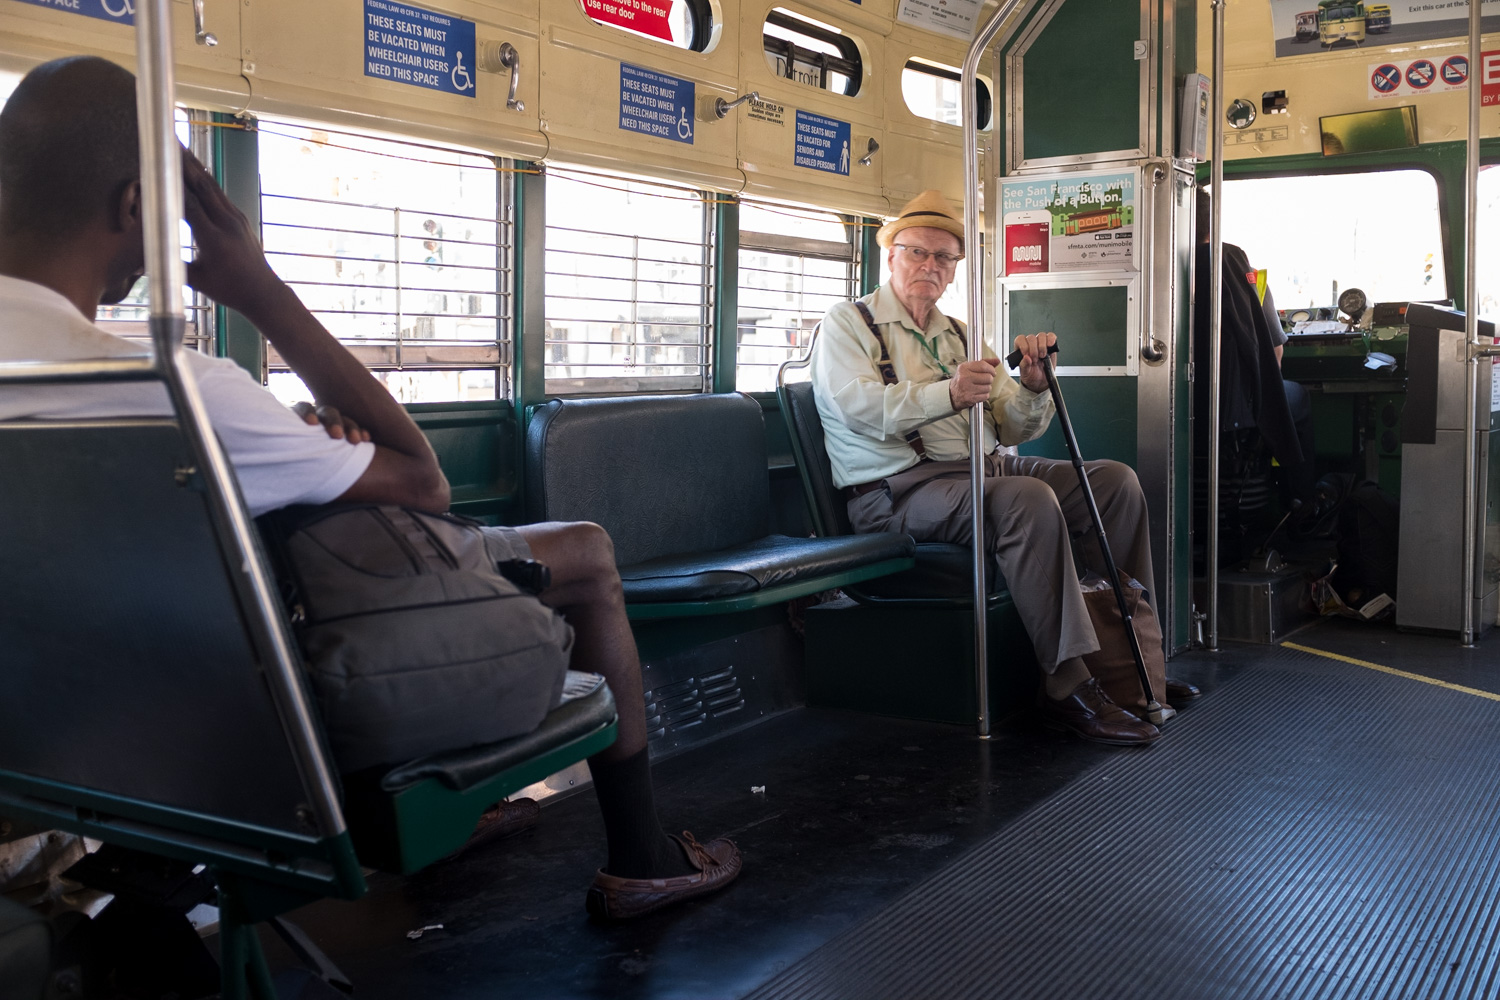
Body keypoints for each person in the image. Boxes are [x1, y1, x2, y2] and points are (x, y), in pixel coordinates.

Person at [0, 56, 739, 921]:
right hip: (249, 726)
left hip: (55, 731)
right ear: (134, 205)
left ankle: (473, 815)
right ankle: (643, 858)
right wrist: (261, 291)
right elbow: (420, 479)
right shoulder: (178, 391)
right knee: (586, 553)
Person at [811, 189, 1167, 747]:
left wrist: (1030, 387)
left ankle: (1134, 663)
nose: (930, 266)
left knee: (1114, 482)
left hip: (987, 468)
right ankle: (1067, 686)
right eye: (917, 253)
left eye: (943, 258)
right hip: (898, 492)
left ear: (955, 270)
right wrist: (947, 394)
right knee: (1026, 501)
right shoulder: (847, 324)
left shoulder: (958, 333)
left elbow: (1012, 427)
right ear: (891, 257)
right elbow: (858, 406)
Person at [1192, 188, 1315, 532]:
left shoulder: (1158, 274)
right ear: (1211, 225)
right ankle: (1301, 503)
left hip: (1179, 407)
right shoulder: (1247, 273)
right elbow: (1273, 357)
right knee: (1297, 397)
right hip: (1236, 407)